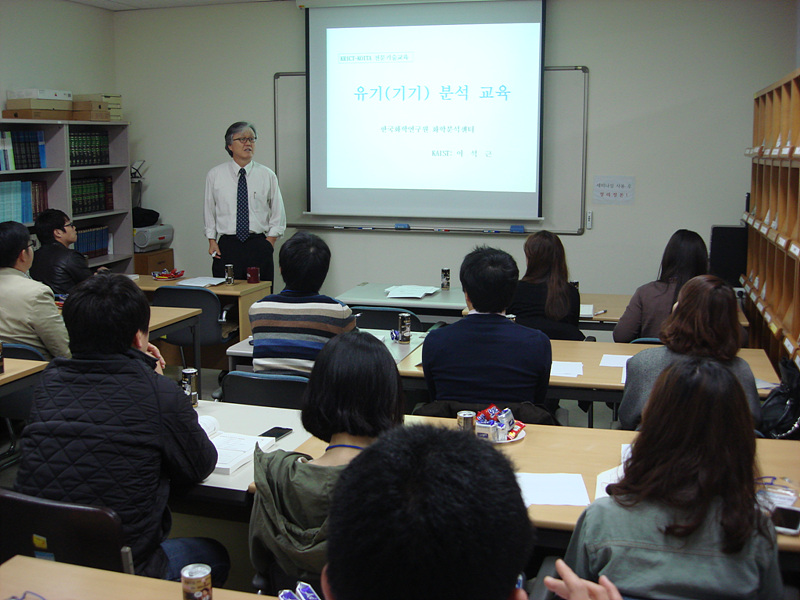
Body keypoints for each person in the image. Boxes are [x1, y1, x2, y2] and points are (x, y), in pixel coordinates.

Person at [14, 274, 230, 584]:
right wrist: (155, 381)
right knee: (213, 555)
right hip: (123, 571)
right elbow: (200, 465)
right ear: (139, 339)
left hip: (45, 562)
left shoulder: (48, 383)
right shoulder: (158, 393)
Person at [565, 358, 783, 599]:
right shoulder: (756, 531)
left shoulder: (601, 519)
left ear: (651, 428)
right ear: (741, 438)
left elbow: (573, 590)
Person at [249, 330, 404, 590]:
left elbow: (259, 563)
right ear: (389, 399)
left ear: (318, 394)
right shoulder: (399, 488)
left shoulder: (276, 477)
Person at [618, 274, 761, 430]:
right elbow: (753, 421)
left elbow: (628, 419)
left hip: (658, 452)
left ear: (678, 311)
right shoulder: (741, 370)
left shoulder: (644, 362)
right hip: (722, 453)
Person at [421, 246, 553, 413]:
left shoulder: (436, 340)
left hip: (452, 434)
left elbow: (435, 397)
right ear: (512, 294)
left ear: (466, 294)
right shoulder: (537, 343)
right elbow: (538, 400)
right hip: (515, 433)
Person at [249, 231, 356, 374]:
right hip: (317, 395)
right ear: (324, 272)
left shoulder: (258, 309)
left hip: (265, 395)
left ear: (281, 269)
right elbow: (354, 351)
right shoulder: (338, 312)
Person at [204, 121, 286, 282]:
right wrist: (211, 240)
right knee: (228, 296)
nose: (248, 143)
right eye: (242, 139)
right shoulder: (215, 175)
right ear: (230, 145)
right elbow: (208, 209)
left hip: (258, 244)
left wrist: (270, 242)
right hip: (227, 245)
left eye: (252, 139)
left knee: (259, 296)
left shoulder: (266, 175)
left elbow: (278, 212)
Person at [613, 229, 707, 342]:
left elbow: (621, 336)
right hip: (695, 359)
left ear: (668, 258)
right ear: (702, 261)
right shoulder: (711, 296)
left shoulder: (646, 292)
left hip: (649, 358)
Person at [0, 220, 70, 360]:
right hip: (39, 373)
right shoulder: (37, 293)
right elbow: (62, 351)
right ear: (22, 254)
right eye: (31, 245)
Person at [507, 230, 583, 340]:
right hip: (564, 353)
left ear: (531, 259)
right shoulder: (570, 292)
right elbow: (572, 330)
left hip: (525, 351)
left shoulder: (515, 289)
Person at [29, 208, 96, 294]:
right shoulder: (70, 257)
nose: (74, 228)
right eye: (70, 225)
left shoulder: (34, 256)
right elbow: (93, 287)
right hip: (69, 305)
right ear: (58, 232)